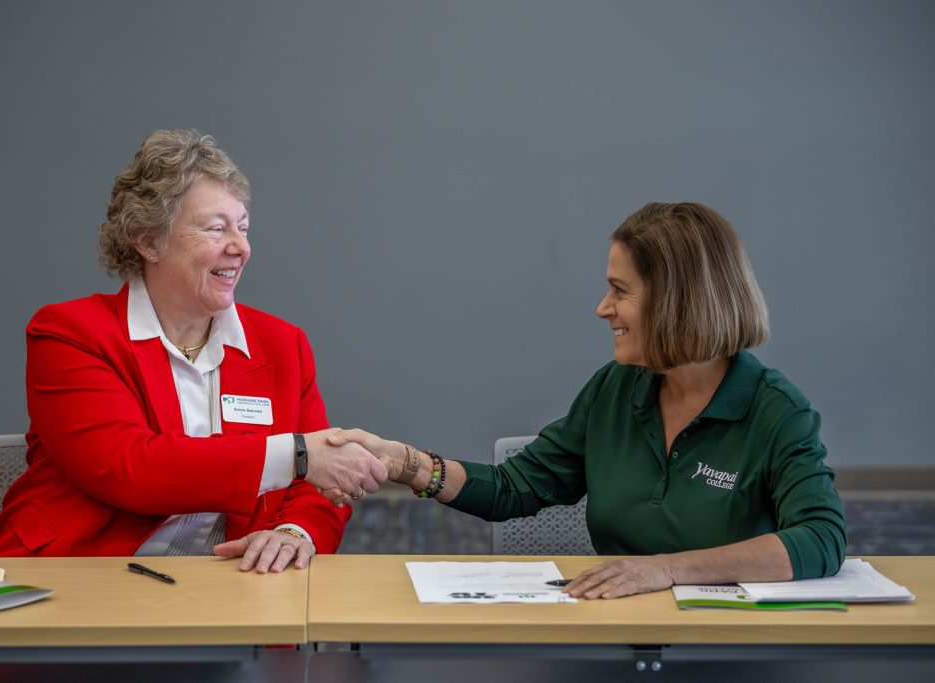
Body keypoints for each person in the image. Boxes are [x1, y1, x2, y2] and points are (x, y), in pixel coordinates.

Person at [329, 202, 846, 599]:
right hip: (618, 639)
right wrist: (404, 462)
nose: (603, 309)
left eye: (620, 291)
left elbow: (821, 539)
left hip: (730, 649)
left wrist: (666, 569)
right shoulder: (616, 389)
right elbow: (515, 487)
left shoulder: (777, 410)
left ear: (676, 302)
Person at [0, 130, 386, 572]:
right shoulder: (70, 334)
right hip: (75, 578)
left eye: (244, 228)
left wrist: (294, 533)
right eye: (216, 228)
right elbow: (129, 467)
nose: (241, 247)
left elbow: (318, 485)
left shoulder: (282, 345)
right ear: (147, 240)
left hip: (228, 584)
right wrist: (299, 457)